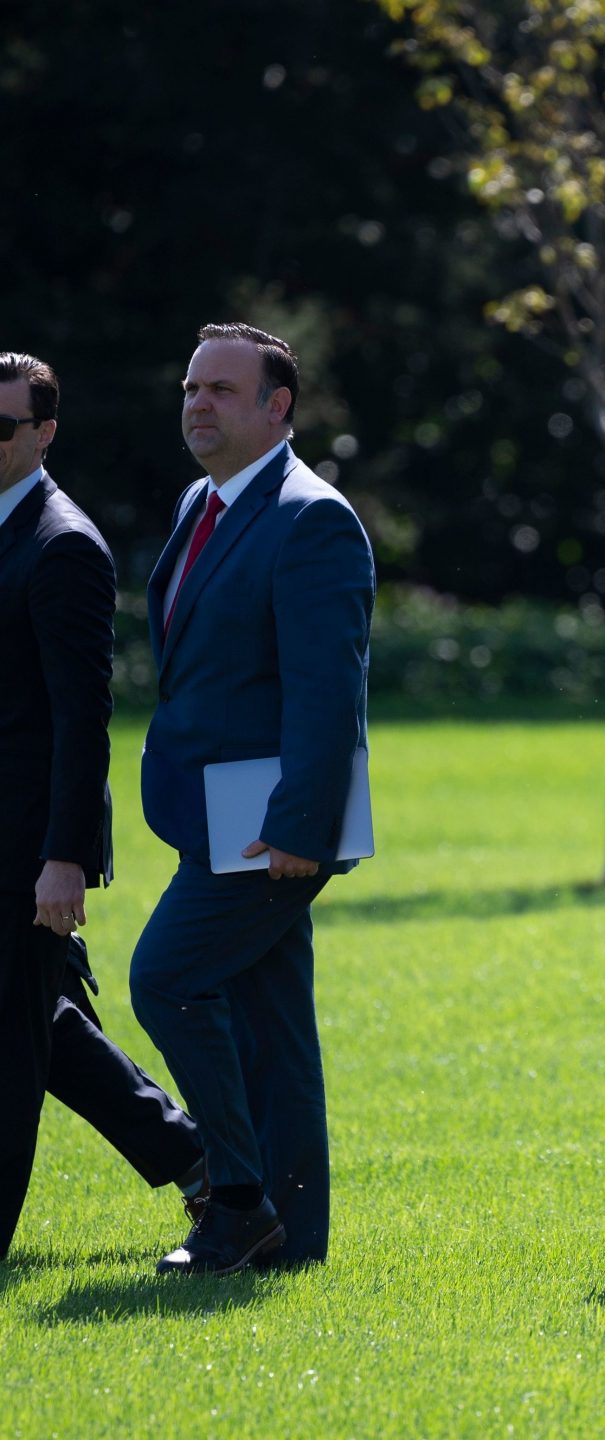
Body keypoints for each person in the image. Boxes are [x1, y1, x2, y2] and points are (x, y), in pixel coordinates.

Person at [129, 324, 375, 1275]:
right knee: (273, 1028)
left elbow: (328, 693)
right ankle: (289, 1238)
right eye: (192, 388)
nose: (199, 404)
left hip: (272, 824)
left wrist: (300, 827)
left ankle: (234, 1200)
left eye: (222, 390)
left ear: (278, 407)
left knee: (165, 978)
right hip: (212, 813)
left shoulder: (313, 518)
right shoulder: (201, 501)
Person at [0, 352, 206, 1263]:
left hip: (24, 847)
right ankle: (196, 1158)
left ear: (44, 433)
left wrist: (66, 858)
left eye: (2, 426)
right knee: (41, 1020)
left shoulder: (63, 545)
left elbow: (81, 720)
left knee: (15, 1043)